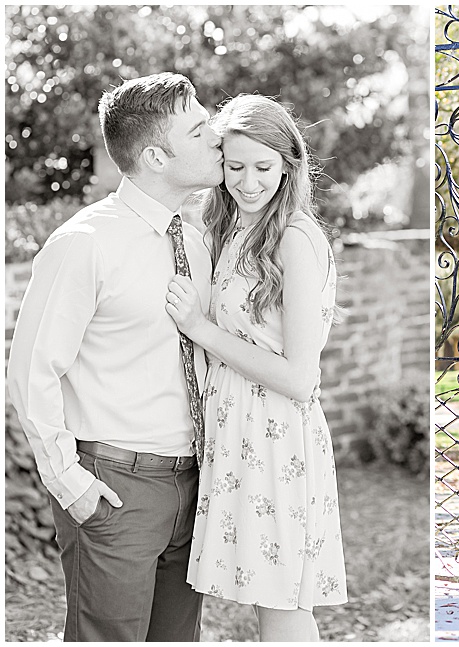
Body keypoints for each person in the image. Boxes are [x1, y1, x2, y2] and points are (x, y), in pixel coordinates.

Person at [7, 72, 223, 641]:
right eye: (200, 130)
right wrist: (69, 481)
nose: (217, 138)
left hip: (194, 481)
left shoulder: (199, 239)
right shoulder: (86, 242)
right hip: (115, 485)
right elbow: (32, 370)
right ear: (156, 155)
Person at [164, 94, 347, 642]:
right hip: (237, 433)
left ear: (289, 165)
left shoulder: (295, 238)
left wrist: (201, 328)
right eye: (235, 167)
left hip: (277, 437)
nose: (247, 182)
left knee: (282, 605)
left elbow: (299, 377)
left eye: (264, 168)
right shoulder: (232, 231)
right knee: (266, 603)